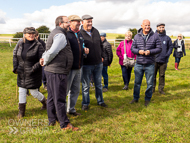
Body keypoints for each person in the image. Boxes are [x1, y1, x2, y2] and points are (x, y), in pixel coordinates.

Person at [40, 16, 78, 131]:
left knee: (51, 97)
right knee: (60, 98)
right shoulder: (60, 35)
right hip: (57, 71)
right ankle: (64, 124)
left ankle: (52, 119)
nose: (69, 24)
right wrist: (45, 60)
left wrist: (43, 59)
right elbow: (52, 51)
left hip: (52, 71)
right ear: (61, 23)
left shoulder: (55, 32)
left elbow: (48, 50)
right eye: (67, 22)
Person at [13, 27, 47, 118]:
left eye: (33, 33)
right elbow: (15, 54)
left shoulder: (38, 45)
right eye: (29, 33)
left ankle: (45, 103)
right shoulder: (20, 43)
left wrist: (33, 69)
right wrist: (15, 67)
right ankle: (21, 112)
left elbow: (42, 59)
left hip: (33, 72)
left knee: (34, 92)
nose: (31, 35)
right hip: (21, 72)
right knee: (22, 91)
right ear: (25, 34)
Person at [130, 19, 162, 107]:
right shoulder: (136, 36)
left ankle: (147, 99)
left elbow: (159, 48)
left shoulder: (155, 36)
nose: (147, 27)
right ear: (142, 26)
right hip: (139, 64)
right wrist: (138, 51)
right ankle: (135, 98)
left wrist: (150, 51)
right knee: (137, 82)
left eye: (148, 25)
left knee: (150, 83)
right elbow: (132, 48)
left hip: (150, 64)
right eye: (145, 25)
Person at [80, 14, 107, 110]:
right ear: (82, 22)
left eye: (91, 21)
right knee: (86, 85)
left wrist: (102, 56)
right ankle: (85, 103)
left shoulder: (95, 31)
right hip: (87, 64)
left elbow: (100, 45)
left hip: (98, 63)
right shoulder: (80, 33)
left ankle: (100, 101)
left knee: (99, 84)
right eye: (88, 22)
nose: (90, 23)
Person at [66, 15, 89, 116]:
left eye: (80, 22)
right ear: (70, 22)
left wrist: (84, 50)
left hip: (79, 66)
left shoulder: (79, 33)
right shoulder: (66, 33)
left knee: (75, 90)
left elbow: (81, 45)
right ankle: (62, 112)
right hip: (69, 67)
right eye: (77, 21)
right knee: (65, 90)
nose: (79, 23)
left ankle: (71, 109)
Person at [153, 23, 173, 94]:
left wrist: (167, 54)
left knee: (162, 75)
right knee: (153, 75)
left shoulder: (167, 38)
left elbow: (170, 47)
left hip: (163, 60)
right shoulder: (153, 36)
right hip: (154, 60)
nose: (161, 29)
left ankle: (161, 89)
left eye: (163, 27)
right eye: (160, 27)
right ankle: (152, 89)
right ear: (157, 28)